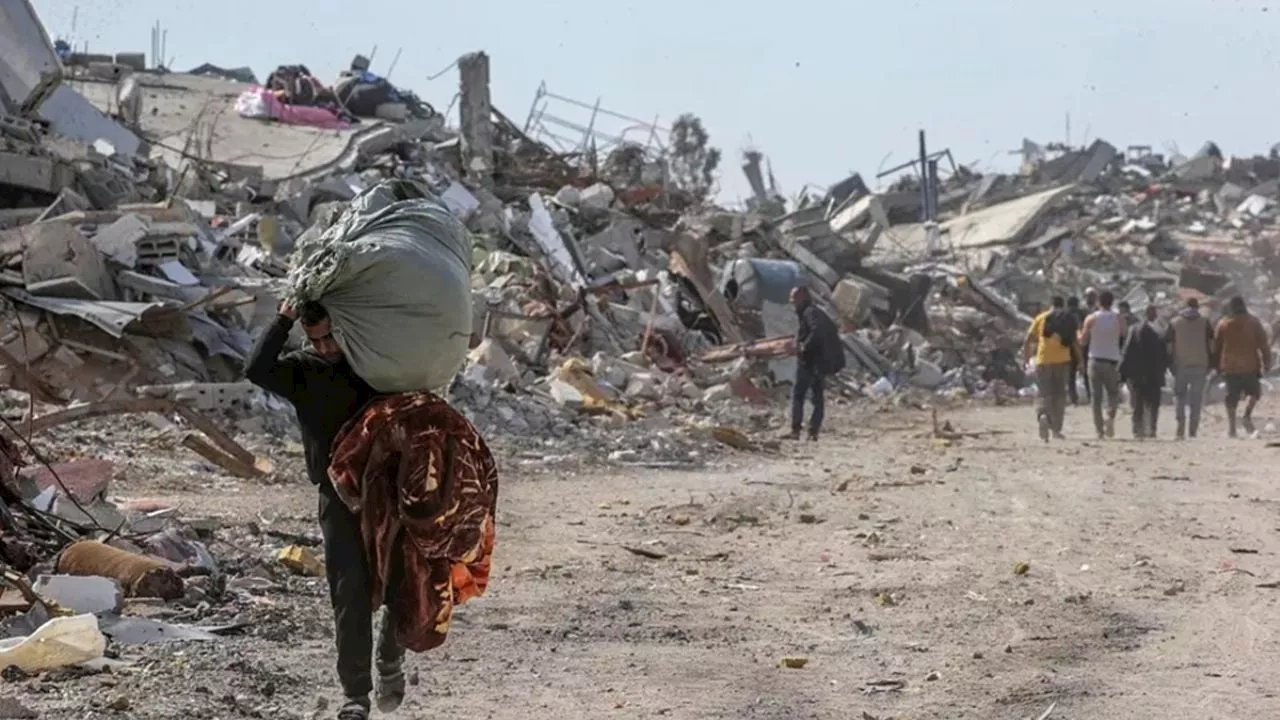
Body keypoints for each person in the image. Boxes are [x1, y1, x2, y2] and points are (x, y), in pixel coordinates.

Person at [244, 301, 401, 720]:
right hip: (336, 496)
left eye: (332, 337)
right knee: (348, 593)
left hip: (387, 490)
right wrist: (283, 318)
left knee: (401, 581)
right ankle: (356, 695)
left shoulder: (372, 365)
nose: (327, 347)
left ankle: (391, 655)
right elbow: (256, 369)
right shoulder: (302, 370)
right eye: (317, 340)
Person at [787, 286, 844, 441]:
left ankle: (796, 431)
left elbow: (817, 331)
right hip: (818, 363)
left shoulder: (809, 312)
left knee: (799, 395)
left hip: (809, 362)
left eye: (794, 299)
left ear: (802, 298)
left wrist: (804, 346)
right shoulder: (814, 312)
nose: (792, 303)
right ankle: (813, 432)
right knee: (817, 398)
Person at [1213, 295, 1272, 437]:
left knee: (1231, 398)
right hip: (1250, 366)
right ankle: (1246, 416)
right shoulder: (1254, 323)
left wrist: (1215, 366)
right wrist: (1267, 362)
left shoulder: (1223, 324)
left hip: (1230, 366)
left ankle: (1232, 428)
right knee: (1255, 393)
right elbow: (1264, 346)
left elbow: (1216, 347)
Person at [1022, 296, 1078, 442]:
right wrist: (1081, 361)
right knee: (1059, 395)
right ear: (1063, 305)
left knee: (1044, 393)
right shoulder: (1068, 319)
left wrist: (1026, 359)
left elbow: (1028, 339)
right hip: (1063, 361)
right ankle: (1056, 430)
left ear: (1050, 305)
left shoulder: (1041, 318)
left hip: (1043, 360)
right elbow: (1075, 342)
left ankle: (1043, 415)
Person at [1080, 290, 1126, 439]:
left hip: (1094, 360)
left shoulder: (1091, 318)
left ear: (1099, 302)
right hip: (1112, 361)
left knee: (1096, 397)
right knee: (1113, 393)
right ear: (1112, 302)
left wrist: (1078, 334)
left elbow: (1083, 341)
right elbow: (1123, 334)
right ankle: (1110, 416)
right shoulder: (1118, 318)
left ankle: (1099, 430)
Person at [1166, 297, 1214, 439]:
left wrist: (1170, 365)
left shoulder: (1174, 323)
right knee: (1196, 399)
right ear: (1197, 307)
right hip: (1200, 366)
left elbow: (1169, 348)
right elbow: (1212, 347)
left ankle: (1180, 429)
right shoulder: (1205, 323)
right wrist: (1211, 365)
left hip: (1180, 366)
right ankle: (1193, 431)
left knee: (1180, 397)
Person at [1120, 305, 1168, 439]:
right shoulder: (1160, 330)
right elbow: (1165, 353)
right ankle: (1150, 429)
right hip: (1154, 371)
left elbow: (1127, 350)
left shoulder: (1134, 329)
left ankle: (1139, 429)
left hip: (1139, 372)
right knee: (1152, 402)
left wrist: (1122, 371)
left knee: (1139, 402)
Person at [1066, 296, 1087, 405]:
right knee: (1085, 372)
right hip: (1081, 345)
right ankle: (1089, 395)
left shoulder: (1066, 315)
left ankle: (1073, 398)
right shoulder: (1082, 313)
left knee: (1071, 375)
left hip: (1068, 348)